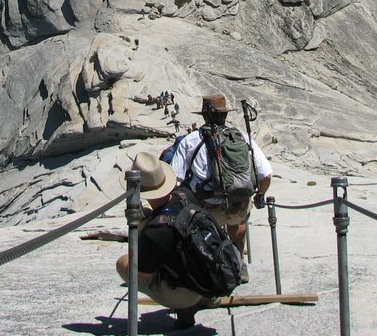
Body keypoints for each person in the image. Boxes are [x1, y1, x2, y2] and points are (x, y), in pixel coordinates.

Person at [170, 93, 272, 282]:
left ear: (204, 116)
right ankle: (238, 266)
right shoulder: (241, 138)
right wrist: (260, 195)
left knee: (201, 233)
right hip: (237, 204)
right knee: (238, 226)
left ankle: (208, 270)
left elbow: (175, 178)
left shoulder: (190, 141)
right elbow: (265, 174)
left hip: (205, 206)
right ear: (225, 115)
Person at [115, 152, 204, 314]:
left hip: (187, 294)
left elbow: (140, 273)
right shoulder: (187, 195)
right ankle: (207, 299)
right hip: (208, 278)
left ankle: (183, 305)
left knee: (123, 264)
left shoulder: (156, 229)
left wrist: (141, 227)